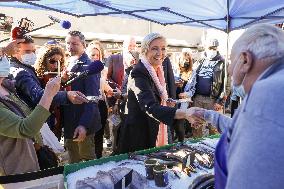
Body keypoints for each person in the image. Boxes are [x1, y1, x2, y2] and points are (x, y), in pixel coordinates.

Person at [191, 24, 284, 189]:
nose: (229, 71)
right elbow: (243, 129)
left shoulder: (267, 94)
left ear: (245, 60)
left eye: (232, 61)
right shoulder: (271, 86)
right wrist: (207, 115)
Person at [117, 33, 203, 153]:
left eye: (163, 48)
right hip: (140, 134)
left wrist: (166, 101)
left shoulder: (157, 69)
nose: (160, 53)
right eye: (154, 48)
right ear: (145, 50)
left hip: (154, 127)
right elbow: (150, 106)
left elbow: (156, 96)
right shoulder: (139, 72)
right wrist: (185, 114)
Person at [0, 40, 61, 175]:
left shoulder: (6, 86)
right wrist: (48, 94)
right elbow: (25, 128)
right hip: (14, 171)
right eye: (1, 56)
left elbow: (25, 114)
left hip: (29, 160)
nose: (4, 58)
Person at [9, 35, 87, 110]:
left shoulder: (27, 68)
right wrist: (67, 95)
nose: (32, 54)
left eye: (33, 51)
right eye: (27, 51)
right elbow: (38, 94)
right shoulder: (20, 72)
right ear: (14, 52)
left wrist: (62, 82)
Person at [63, 31, 102, 163]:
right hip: (69, 121)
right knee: (73, 160)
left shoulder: (89, 66)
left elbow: (92, 99)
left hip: (83, 122)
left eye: (74, 43)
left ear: (83, 45)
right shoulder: (67, 62)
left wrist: (84, 125)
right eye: (68, 43)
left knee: (87, 161)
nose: (70, 46)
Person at [179, 39, 225, 138]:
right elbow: (192, 78)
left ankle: (213, 150)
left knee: (213, 126)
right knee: (196, 125)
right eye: (210, 48)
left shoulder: (222, 62)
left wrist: (220, 101)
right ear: (205, 48)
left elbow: (226, 85)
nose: (212, 50)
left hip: (212, 100)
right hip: (198, 98)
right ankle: (197, 147)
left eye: (214, 48)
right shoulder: (200, 61)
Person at [34, 45, 67, 140]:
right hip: (43, 119)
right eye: (52, 61)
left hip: (57, 118)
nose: (56, 65)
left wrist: (64, 83)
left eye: (59, 62)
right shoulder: (36, 77)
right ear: (44, 60)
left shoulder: (60, 75)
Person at [86, 40, 111, 158]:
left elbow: (103, 87)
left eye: (98, 55)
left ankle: (99, 157)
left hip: (100, 103)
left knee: (99, 134)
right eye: (93, 55)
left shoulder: (103, 69)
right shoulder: (83, 69)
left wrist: (110, 90)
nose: (95, 57)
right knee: (89, 134)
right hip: (87, 103)